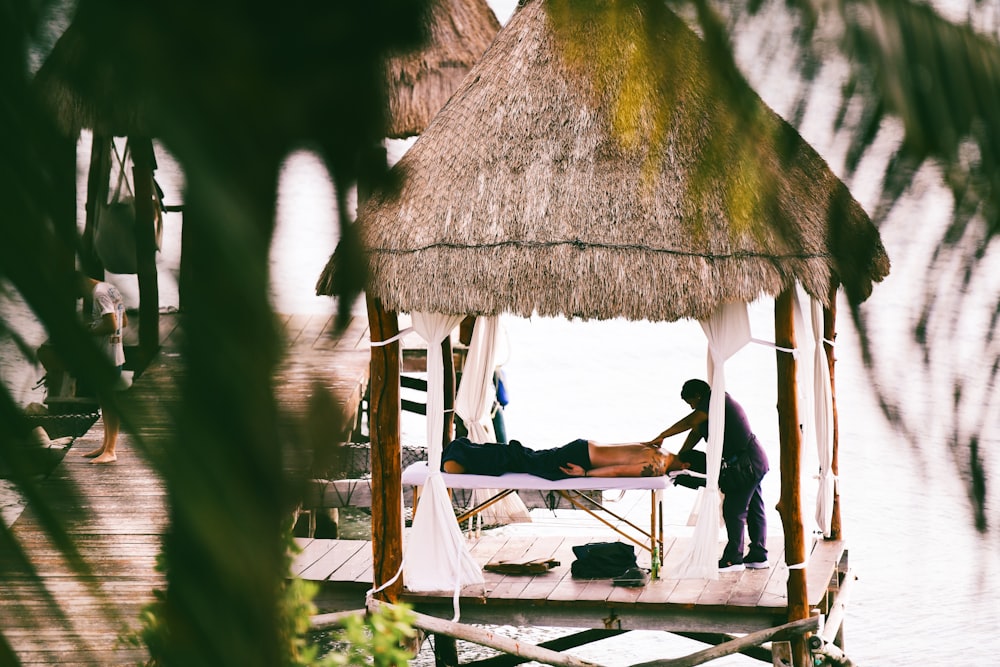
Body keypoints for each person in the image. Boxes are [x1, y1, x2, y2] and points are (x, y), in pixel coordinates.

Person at [644, 378, 769, 572]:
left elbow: (690, 421)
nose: (691, 408)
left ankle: (733, 559)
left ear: (698, 396)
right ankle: (758, 556)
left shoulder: (718, 402)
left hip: (747, 464)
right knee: (754, 508)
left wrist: (662, 435)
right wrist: (680, 455)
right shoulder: (713, 406)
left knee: (733, 509)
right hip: (754, 460)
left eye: (691, 403)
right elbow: (694, 432)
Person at [441, 436, 677, 481]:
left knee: (527, 457)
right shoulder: (656, 467)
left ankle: (465, 450)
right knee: (519, 458)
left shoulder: (659, 448)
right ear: (686, 465)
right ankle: (461, 453)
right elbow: (616, 471)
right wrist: (585, 474)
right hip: (581, 459)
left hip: (583, 447)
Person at [76, 272, 128, 464]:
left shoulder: (99, 294)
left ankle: (111, 450)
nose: (82, 297)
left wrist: (90, 331)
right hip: (116, 352)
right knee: (105, 402)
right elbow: (124, 321)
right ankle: (106, 445)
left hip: (106, 356)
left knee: (109, 402)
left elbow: (111, 324)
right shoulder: (109, 288)